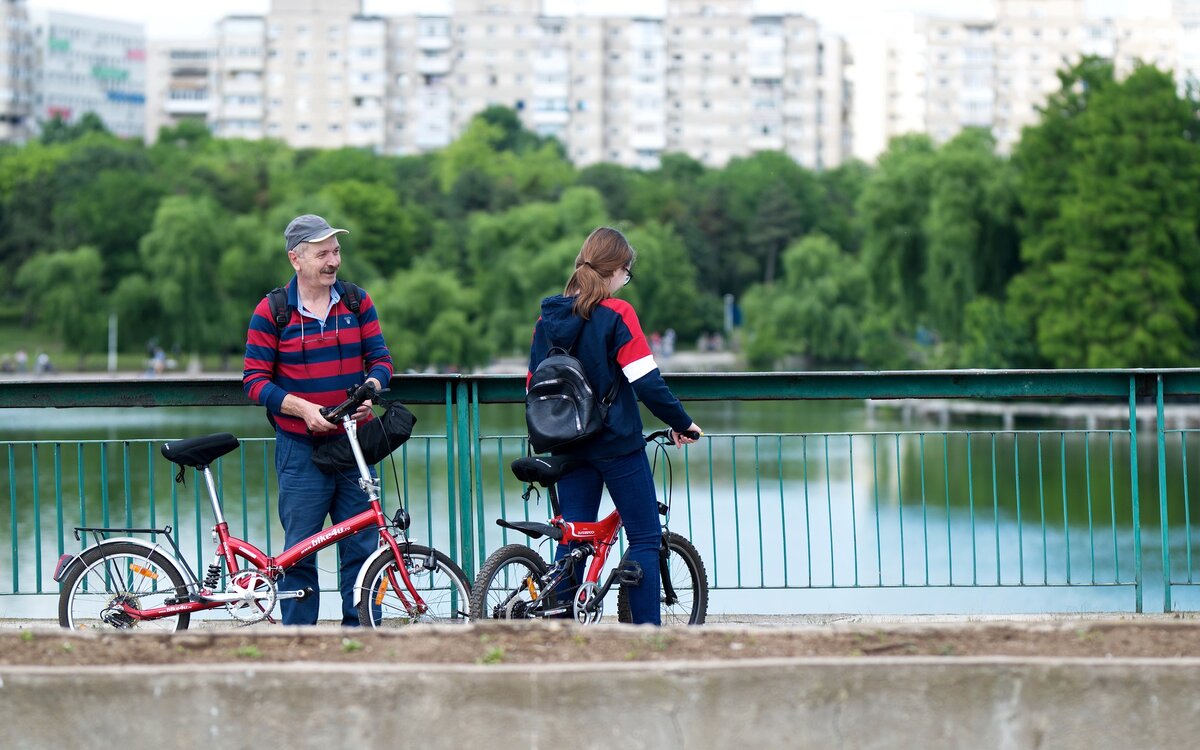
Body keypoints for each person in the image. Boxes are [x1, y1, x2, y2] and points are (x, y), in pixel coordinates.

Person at [527, 226, 702, 626]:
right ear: (616, 271)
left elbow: (533, 383)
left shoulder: (547, 320)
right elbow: (646, 381)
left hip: (565, 443)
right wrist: (683, 422)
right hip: (616, 444)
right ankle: (646, 637)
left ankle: (561, 626)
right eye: (627, 273)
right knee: (643, 536)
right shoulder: (617, 314)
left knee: (575, 537)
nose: (626, 281)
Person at [242, 214, 393, 626]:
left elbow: (381, 361)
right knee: (300, 551)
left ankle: (362, 633)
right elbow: (254, 381)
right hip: (300, 449)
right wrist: (303, 410)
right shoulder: (272, 311)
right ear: (296, 259)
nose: (333, 261)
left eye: (336, 251)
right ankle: (298, 641)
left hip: (354, 445)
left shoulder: (357, 301)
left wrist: (371, 392)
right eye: (322, 253)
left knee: (363, 547)